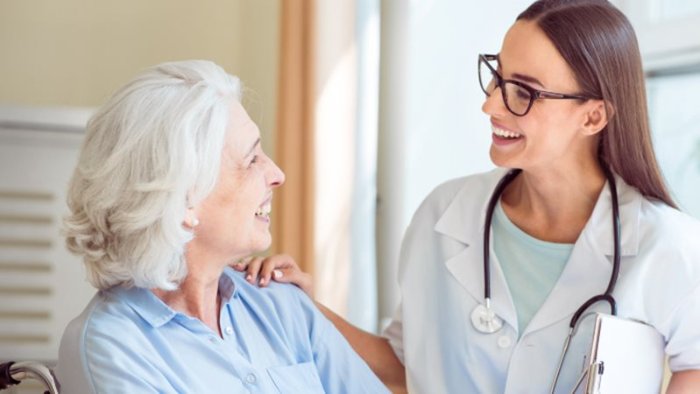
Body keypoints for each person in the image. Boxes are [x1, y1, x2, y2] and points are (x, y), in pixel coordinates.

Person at [240, 0, 700, 392]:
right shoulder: (444, 216)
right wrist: (303, 308)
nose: (492, 105)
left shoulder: (666, 245)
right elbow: (404, 368)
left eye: (524, 92)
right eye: (498, 77)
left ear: (593, 117)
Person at [55, 60, 389, 393]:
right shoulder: (113, 346)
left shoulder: (283, 305)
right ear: (185, 199)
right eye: (251, 160)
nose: (276, 174)